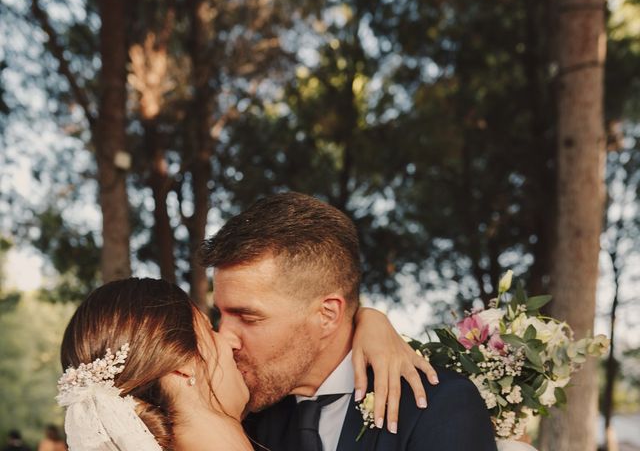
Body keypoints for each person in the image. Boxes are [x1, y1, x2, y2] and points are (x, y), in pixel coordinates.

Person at [200, 192, 498, 450]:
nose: (224, 336)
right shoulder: (242, 413)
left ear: (327, 315)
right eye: (220, 314)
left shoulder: (439, 407)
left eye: (248, 317)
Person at [57, 277, 434, 450]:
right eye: (208, 328)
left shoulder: (266, 423)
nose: (229, 340)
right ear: (182, 368)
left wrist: (368, 320)